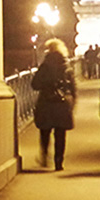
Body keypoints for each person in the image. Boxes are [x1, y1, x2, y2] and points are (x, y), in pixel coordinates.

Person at [31, 38, 76, 171]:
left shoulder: (45, 66)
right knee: (60, 134)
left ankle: (45, 156)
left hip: (47, 102)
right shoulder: (66, 66)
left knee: (45, 131)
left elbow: (35, 84)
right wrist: (72, 102)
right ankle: (58, 162)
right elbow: (72, 86)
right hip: (62, 104)